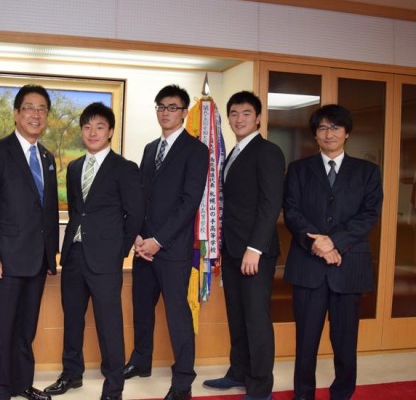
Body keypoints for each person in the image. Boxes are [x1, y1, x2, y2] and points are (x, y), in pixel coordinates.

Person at [44, 103, 144, 400]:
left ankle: (113, 387)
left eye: (99, 127)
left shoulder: (125, 168)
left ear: (110, 131)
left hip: (105, 259)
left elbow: (135, 214)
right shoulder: (75, 167)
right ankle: (71, 374)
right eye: (87, 127)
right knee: (72, 320)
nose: (92, 132)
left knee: (109, 324)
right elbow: (79, 211)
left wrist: (119, 250)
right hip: (74, 255)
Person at [283, 104, 382, 400]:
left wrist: (333, 242)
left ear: (347, 133)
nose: (329, 134)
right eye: (323, 128)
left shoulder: (367, 171)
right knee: (306, 342)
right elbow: (291, 212)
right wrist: (317, 244)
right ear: (315, 134)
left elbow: (369, 214)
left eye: (335, 127)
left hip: (348, 267)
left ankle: (342, 394)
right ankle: (303, 395)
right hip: (308, 266)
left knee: (345, 341)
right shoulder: (298, 169)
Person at [0, 84, 59, 400]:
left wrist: (51, 256)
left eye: (41, 109)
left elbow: (48, 211)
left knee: (25, 329)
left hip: (36, 261)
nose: (36, 114)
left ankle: (21, 383)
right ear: (16, 113)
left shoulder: (47, 157)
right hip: (4, 261)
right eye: (29, 108)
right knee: (0, 331)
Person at [124, 85, 209, 400]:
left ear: (184, 112)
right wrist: (137, 235)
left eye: (172, 107)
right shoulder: (150, 149)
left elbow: (189, 202)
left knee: (177, 315)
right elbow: (140, 197)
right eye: (161, 106)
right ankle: (141, 361)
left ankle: (183, 380)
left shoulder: (196, 150)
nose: (165, 112)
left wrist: (158, 240)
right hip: (143, 248)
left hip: (172, 249)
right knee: (141, 309)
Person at [203, 91, 285, 400]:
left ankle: (260, 386)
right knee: (237, 316)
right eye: (234, 113)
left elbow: (270, 203)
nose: (239, 119)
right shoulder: (234, 153)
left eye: (246, 113)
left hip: (255, 252)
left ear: (258, 118)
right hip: (232, 249)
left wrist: (256, 248)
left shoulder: (268, 151)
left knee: (256, 319)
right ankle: (238, 372)